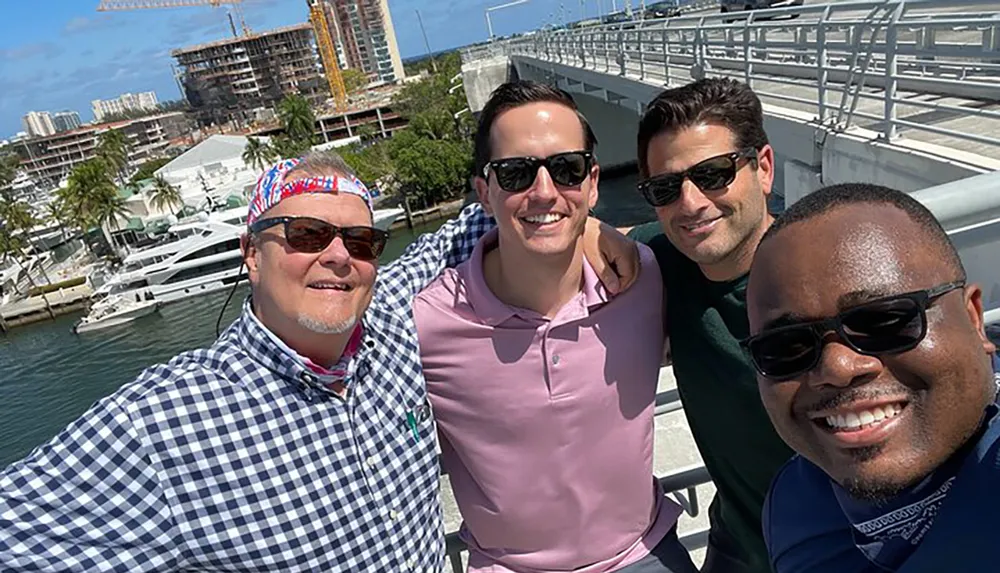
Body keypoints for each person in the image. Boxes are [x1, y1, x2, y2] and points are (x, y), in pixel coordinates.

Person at [0, 151, 636, 571]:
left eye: (360, 241)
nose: (338, 256)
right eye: (306, 236)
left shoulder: (388, 316)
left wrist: (586, 229)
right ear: (252, 254)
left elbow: (492, 218)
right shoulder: (161, 423)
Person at [414, 81, 696, 573]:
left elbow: (745, 244)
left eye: (565, 169)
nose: (544, 192)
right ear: (484, 192)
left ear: (591, 183)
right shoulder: (428, 323)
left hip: (645, 553)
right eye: (516, 173)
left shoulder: (644, 278)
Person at [746, 183, 1000, 572]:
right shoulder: (794, 502)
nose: (837, 367)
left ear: (973, 319)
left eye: (884, 320)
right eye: (787, 346)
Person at [625, 78, 794, 572]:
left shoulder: (822, 271)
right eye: (665, 187)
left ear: (763, 168)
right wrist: (595, 233)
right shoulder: (662, 261)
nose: (692, 203)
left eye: (715, 174)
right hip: (741, 544)